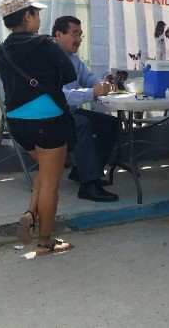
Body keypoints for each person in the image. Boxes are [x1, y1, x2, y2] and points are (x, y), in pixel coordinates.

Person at [0, 0, 77, 256]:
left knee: (45, 169)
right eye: (37, 13)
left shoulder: (0, 50)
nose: (39, 18)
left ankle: (31, 212)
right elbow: (70, 73)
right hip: (48, 118)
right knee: (51, 181)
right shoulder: (45, 43)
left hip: (17, 122)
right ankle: (45, 242)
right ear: (27, 16)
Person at [52, 15, 120, 202]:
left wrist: (102, 85)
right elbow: (61, 96)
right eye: (74, 34)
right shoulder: (49, 58)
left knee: (112, 124)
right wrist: (92, 92)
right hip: (53, 114)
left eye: (80, 34)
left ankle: (80, 172)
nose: (78, 39)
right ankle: (89, 185)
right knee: (82, 124)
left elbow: (88, 77)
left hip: (69, 111)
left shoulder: (73, 58)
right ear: (58, 35)